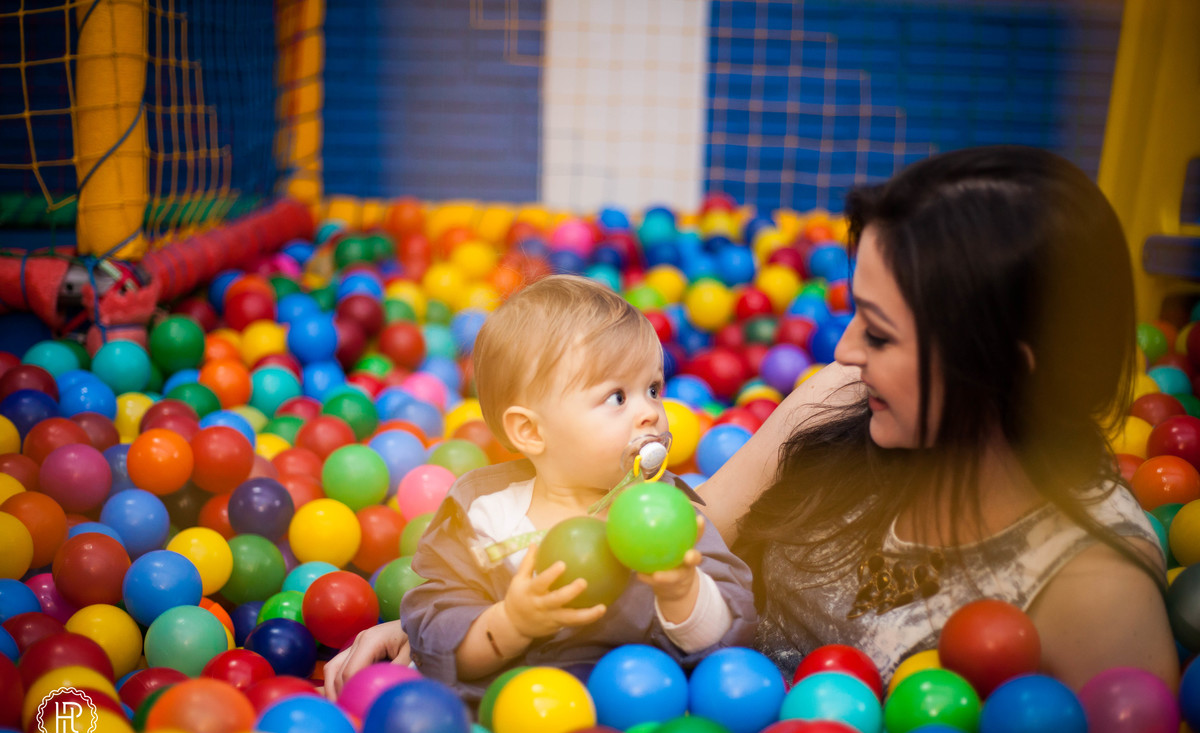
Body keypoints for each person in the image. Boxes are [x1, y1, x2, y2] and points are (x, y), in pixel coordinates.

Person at [697, 145, 1177, 691]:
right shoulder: (848, 397)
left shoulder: (1095, 595)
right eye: (856, 312)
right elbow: (695, 527)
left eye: (880, 333)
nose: (846, 349)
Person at [323, 275, 756, 701]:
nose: (651, 413)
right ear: (530, 431)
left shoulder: (668, 511)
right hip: (508, 710)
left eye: (654, 389)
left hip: (636, 703)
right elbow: (438, 638)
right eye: (618, 397)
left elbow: (726, 636)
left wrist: (683, 592)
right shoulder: (485, 519)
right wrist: (511, 623)